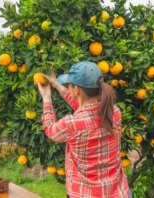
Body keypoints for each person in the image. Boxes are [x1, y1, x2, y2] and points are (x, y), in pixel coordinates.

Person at [37, 61, 130, 198]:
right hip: (118, 193)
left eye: (69, 85)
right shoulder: (114, 112)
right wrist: (56, 84)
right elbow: (82, 106)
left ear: (76, 90)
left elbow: (51, 130)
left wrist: (46, 98)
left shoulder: (72, 124)